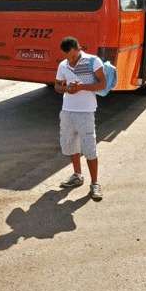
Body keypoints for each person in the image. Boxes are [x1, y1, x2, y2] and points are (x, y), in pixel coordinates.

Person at [54, 36, 105, 201]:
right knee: (70, 144)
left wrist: (81, 87)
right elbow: (57, 86)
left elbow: (102, 84)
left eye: (72, 55)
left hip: (86, 111)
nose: (70, 59)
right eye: (67, 56)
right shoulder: (63, 65)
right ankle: (77, 175)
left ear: (78, 48)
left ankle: (95, 183)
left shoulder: (93, 61)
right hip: (67, 111)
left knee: (89, 146)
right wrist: (66, 88)